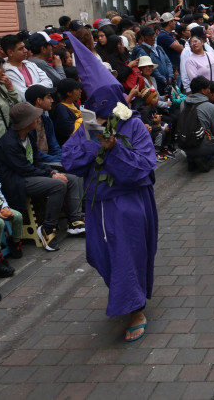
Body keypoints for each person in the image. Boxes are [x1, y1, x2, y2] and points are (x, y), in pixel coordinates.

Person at [61, 32, 158, 341]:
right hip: (97, 204)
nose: (103, 106)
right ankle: (127, 294)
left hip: (129, 203)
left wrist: (115, 148)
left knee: (126, 256)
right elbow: (70, 161)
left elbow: (144, 166)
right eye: (95, 101)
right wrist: (95, 143)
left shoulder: (132, 124)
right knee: (101, 255)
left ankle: (135, 309)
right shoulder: (87, 127)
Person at [0, 102, 85, 252]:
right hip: (16, 180)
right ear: (26, 122)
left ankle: (75, 220)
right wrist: (50, 174)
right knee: (58, 185)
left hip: (30, 173)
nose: (38, 119)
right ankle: (47, 228)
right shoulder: (8, 143)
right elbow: (23, 168)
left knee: (74, 178)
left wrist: (52, 172)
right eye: (35, 117)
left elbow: (36, 159)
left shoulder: (29, 134)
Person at [179, 76, 214, 171]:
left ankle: (191, 157)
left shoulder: (183, 103)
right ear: (203, 91)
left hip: (184, 144)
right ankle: (204, 158)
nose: (209, 90)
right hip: (201, 143)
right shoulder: (209, 106)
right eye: (208, 88)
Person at [1, 35, 53, 100]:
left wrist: (30, 87)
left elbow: (49, 82)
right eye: (21, 49)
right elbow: (24, 96)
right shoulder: (7, 72)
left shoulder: (30, 64)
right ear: (10, 52)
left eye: (24, 47)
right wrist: (40, 86)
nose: (25, 50)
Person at [25, 84, 62, 165]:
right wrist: (58, 160)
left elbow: (54, 146)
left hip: (51, 161)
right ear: (39, 100)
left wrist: (60, 158)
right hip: (35, 164)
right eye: (48, 97)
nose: (52, 100)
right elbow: (35, 153)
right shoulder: (26, 123)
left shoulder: (47, 120)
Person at [0, 173, 22, 277]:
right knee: (0, 223)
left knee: (17, 216)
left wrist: (4, 207)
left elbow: (0, 195)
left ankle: (15, 242)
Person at [0, 56, 20, 144]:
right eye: (1, 68)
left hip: (9, 138)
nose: (4, 71)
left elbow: (19, 106)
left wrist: (11, 89)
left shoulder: (3, 86)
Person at [53, 78, 83, 146]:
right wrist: (83, 119)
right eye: (77, 89)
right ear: (69, 93)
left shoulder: (74, 103)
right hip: (71, 145)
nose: (80, 91)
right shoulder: (61, 108)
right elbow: (70, 132)